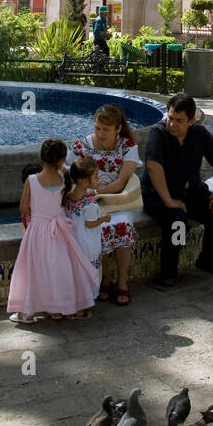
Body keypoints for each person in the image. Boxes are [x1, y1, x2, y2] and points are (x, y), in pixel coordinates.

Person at [141, 92, 213, 287]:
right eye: (170, 118)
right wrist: (169, 202)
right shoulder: (158, 133)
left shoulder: (199, 133)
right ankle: (168, 272)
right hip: (159, 196)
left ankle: (208, 261)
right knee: (178, 222)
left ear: (191, 120)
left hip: (192, 193)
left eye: (179, 121)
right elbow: (152, 166)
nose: (172, 124)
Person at [8, 139, 100, 323]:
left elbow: (24, 207)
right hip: (60, 230)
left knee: (35, 270)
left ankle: (27, 312)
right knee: (60, 269)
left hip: (37, 231)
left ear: (42, 157)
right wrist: (62, 168)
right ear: (61, 160)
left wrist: (36, 216)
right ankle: (59, 309)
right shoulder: (64, 180)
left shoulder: (31, 181)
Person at [71, 103, 139, 306]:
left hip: (118, 202)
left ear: (118, 129)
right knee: (95, 227)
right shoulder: (81, 147)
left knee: (123, 225)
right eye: (97, 128)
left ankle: (122, 283)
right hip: (89, 206)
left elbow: (121, 182)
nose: (100, 134)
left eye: (106, 130)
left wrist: (96, 192)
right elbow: (68, 177)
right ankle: (104, 280)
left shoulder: (128, 146)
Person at [63, 157, 111, 285]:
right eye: (96, 177)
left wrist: (93, 191)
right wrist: (103, 219)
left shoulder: (68, 195)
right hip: (87, 243)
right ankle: (88, 298)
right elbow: (89, 224)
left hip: (73, 241)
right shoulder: (89, 204)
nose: (98, 179)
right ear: (85, 181)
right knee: (90, 271)